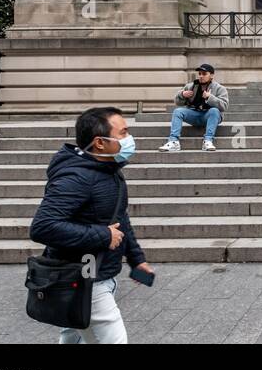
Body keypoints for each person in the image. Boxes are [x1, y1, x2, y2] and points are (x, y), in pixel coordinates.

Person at [30, 106, 153, 344]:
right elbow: (43, 226)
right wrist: (102, 236)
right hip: (84, 278)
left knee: (71, 336)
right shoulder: (77, 178)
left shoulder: (108, 171)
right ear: (99, 143)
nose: (129, 139)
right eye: (123, 133)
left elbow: (119, 219)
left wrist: (137, 259)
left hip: (98, 273)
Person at [159, 63, 228, 152]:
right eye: (199, 74)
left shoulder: (220, 88)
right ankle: (173, 142)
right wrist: (182, 95)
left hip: (209, 116)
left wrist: (210, 97)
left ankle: (208, 141)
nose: (201, 76)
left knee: (214, 111)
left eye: (204, 74)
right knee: (178, 111)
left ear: (211, 75)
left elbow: (224, 106)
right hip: (194, 115)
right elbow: (177, 102)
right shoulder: (191, 86)